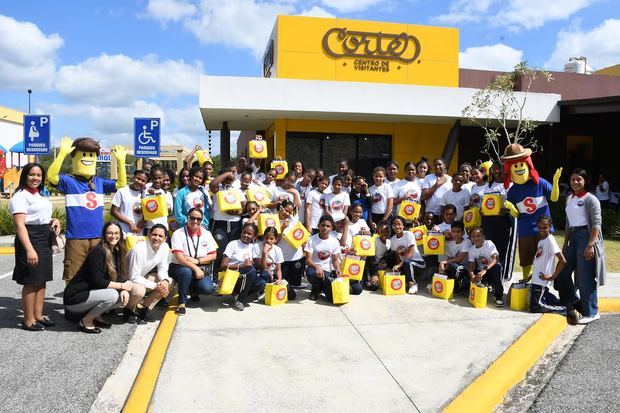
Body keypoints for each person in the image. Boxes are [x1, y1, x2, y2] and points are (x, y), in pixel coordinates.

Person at [47, 137, 128, 282]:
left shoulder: (99, 182)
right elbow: (51, 177)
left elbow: (121, 184)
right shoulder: (69, 181)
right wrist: (61, 154)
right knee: (73, 274)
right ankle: (72, 302)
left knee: (98, 273)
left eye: (91, 155)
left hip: (98, 237)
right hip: (76, 237)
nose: (88, 158)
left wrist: (121, 162)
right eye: (84, 154)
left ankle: (92, 301)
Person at [10, 163, 61, 331]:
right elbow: (20, 225)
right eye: (32, 174)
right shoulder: (20, 196)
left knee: (42, 280)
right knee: (31, 281)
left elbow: (39, 216)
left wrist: (53, 220)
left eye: (39, 175)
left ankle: (38, 315)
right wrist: (29, 249)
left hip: (43, 238)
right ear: (25, 175)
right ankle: (28, 320)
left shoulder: (39, 195)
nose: (35, 178)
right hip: (30, 239)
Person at [63, 223, 134, 333]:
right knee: (112, 295)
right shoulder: (98, 251)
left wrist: (124, 289)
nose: (113, 236)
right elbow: (97, 282)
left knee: (122, 296)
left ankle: (96, 315)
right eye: (109, 233)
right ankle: (86, 321)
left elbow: (120, 275)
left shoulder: (116, 251)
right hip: (74, 299)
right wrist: (122, 286)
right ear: (104, 235)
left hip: (89, 295)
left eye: (116, 233)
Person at [556, 169, 606, 325]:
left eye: (579, 179)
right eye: (572, 179)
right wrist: (565, 243)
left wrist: (591, 244)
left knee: (585, 277)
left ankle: (591, 312)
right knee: (562, 272)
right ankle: (575, 302)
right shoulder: (569, 198)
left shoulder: (590, 199)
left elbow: (597, 224)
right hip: (573, 238)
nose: (575, 182)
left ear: (585, 181)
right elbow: (568, 223)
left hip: (587, 237)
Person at [169, 207, 218, 315]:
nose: (195, 221)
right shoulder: (178, 233)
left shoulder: (206, 233)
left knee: (208, 289)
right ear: (187, 218)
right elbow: (180, 258)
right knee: (186, 271)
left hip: (199, 265)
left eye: (198, 219)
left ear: (202, 220)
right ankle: (181, 303)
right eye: (192, 218)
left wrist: (197, 261)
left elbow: (213, 255)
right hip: (179, 267)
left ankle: (193, 288)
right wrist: (195, 267)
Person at [126, 224, 172, 323]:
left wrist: (164, 281)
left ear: (165, 238)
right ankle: (128, 309)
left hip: (139, 277)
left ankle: (143, 307)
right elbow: (133, 277)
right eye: (154, 235)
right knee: (140, 291)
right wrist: (156, 286)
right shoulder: (139, 249)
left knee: (169, 282)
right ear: (149, 235)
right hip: (126, 281)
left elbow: (162, 268)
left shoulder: (165, 247)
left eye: (160, 236)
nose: (157, 238)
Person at [220, 223, 262, 311]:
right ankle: (240, 300)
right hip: (232, 277)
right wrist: (241, 266)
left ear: (254, 236)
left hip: (247, 276)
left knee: (261, 282)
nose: (246, 235)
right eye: (244, 232)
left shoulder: (253, 247)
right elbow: (223, 265)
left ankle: (239, 294)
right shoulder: (233, 244)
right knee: (250, 271)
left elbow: (258, 266)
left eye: (249, 234)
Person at [529, 216, 566, 314]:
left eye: (545, 227)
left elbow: (563, 260)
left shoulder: (550, 240)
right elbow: (539, 260)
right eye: (539, 227)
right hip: (536, 279)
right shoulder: (541, 241)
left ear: (550, 227)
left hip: (541, 280)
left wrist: (552, 277)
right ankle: (562, 305)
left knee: (536, 307)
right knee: (540, 302)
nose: (542, 230)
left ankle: (564, 310)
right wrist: (531, 276)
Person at [304, 215, 343, 301]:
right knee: (311, 273)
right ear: (318, 226)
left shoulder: (334, 241)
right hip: (314, 269)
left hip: (327, 271)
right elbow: (308, 260)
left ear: (332, 228)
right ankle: (315, 290)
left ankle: (321, 287)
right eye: (323, 225)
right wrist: (317, 267)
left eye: (328, 226)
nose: (325, 228)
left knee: (331, 298)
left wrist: (338, 269)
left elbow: (335, 260)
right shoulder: (311, 240)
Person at [467, 227, 504, 307]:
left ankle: (498, 297)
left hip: (491, 268)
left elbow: (495, 259)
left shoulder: (489, 243)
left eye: (478, 236)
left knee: (496, 269)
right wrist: (472, 275)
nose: (476, 238)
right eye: (473, 236)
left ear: (484, 236)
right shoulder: (471, 249)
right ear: (470, 238)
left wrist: (485, 270)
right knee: (470, 276)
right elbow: (471, 265)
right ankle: (484, 285)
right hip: (481, 271)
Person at [389, 216, 425, 294]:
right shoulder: (392, 240)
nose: (397, 226)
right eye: (394, 224)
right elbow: (397, 257)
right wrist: (397, 267)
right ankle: (407, 281)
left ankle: (413, 283)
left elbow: (411, 253)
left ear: (403, 226)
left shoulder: (409, 234)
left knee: (407, 262)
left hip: (418, 263)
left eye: (399, 224)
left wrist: (399, 265)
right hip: (405, 265)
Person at [276, 200, 306, 290]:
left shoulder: (293, 220)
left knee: (296, 282)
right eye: (286, 210)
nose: (288, 213)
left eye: (290, 212)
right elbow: (275, 241)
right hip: (283, 256)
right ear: (281, 208)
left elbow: (301, 234)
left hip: (296, 255)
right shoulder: (274, 220)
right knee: (283, 282)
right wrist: (282, 228)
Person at [111, 169, 148, 236]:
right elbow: (113, 211)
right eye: (138, 178)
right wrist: (129, 222)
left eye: (143, 181)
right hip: (123, 232)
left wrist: (143, 221)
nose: (139, 182)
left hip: (138, 234)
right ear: (133, 177)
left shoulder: (145, 194)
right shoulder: (122, 191)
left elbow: (148, 212)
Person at [438, 221, 471, 294]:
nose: (456, 234)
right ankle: (453, 286)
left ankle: (459, 286)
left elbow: (460, 259)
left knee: (453, 266)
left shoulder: (467, 242)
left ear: (463, 233)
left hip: (467, 268)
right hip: (456, 267)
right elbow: (449, 259)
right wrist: (442, 270)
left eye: (458, 232)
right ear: (451, 232)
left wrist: (443, 262)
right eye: (453, 232)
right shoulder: (450, 244)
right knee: (445, 268)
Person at [142, 165, 174, 233]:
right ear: (151, 178)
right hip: (150, 226)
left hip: (163, 226)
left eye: (159, 178)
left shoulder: (166, 193)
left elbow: (168, 210)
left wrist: (155, 198)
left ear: (163, 178)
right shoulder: (147, 190)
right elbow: (146, 207)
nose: (157, 180)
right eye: (155, 178)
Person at [422, 158, 452, 224]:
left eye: (439, 164)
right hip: (430, 214)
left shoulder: (450, 179)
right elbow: (425, 196)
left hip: (444, 214)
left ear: (444, 165)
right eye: (435, 165)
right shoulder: (428, 178)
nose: (437, 167)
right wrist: (437, 184)